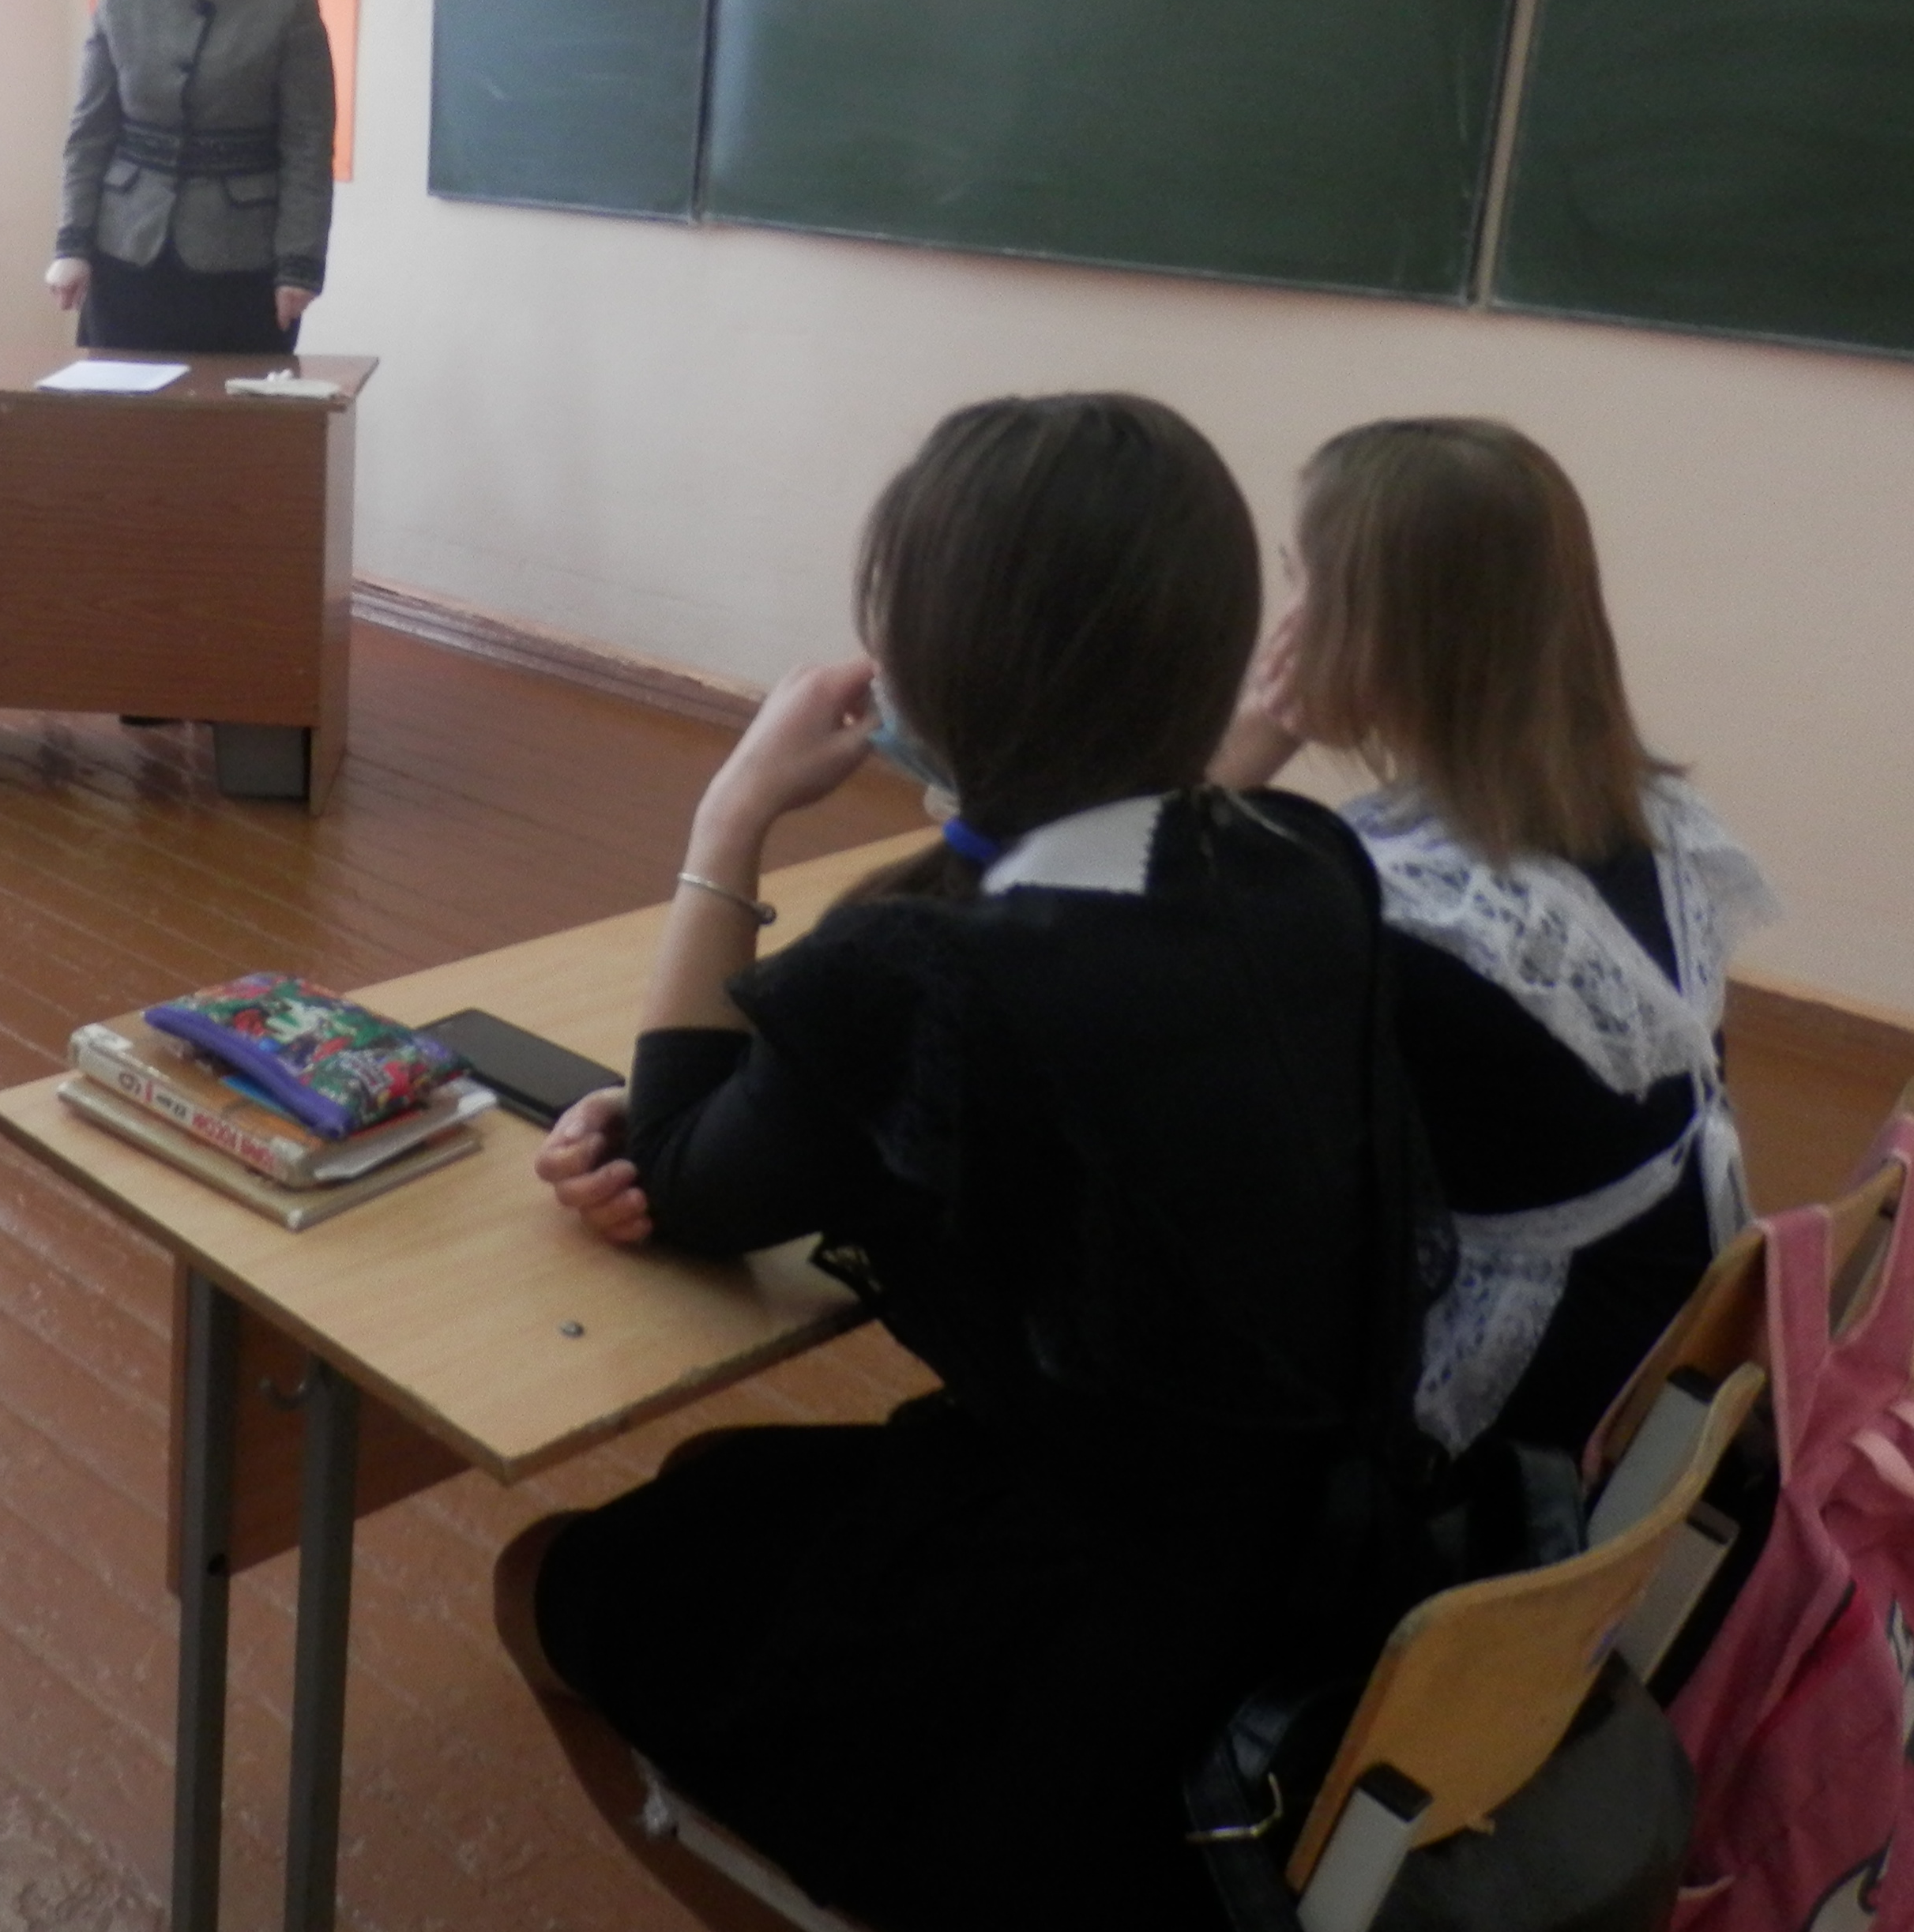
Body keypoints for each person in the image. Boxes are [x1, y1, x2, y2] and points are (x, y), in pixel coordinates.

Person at [508, 395, 1444, 1932]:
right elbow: (1130, 885)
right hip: (1313, 1574)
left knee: (551, 1578)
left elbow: (674, 1183)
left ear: (928, 661)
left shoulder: (915, 975)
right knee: (719, 1488)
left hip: (1078, 1662)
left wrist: (729, 812)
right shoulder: (1303, 862)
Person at [1214, 416, 1777, 1457]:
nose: (1283, 624)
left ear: (1380, 630)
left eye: (1301, 583)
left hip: (1517, 1416)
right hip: (1656, 1322)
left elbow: (1109, 945)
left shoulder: (1401, 914)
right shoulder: (1660, 820)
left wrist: (1250, 747)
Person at [49, 0, 333, 353]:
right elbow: (88, 136)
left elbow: (307, 148)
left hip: (241, 260)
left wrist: (299, 265)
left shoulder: (285, 1)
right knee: (116, 403)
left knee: (233, 405)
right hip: (127, 251)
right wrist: (72, 245)